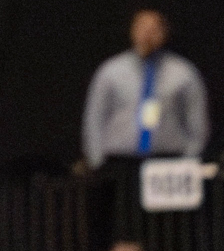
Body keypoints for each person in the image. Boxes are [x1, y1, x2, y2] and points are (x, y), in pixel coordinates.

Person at [82, 9, 210, 168]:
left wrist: (189, 162)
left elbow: (197, 123)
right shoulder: (110, 72)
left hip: (169, 162)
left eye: (154, 29)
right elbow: (94, 119)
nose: (147, 34)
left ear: (164, 33)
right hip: (119, 162)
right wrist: (97, 162)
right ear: (132, 31)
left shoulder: (184, 74)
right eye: (142, 28)